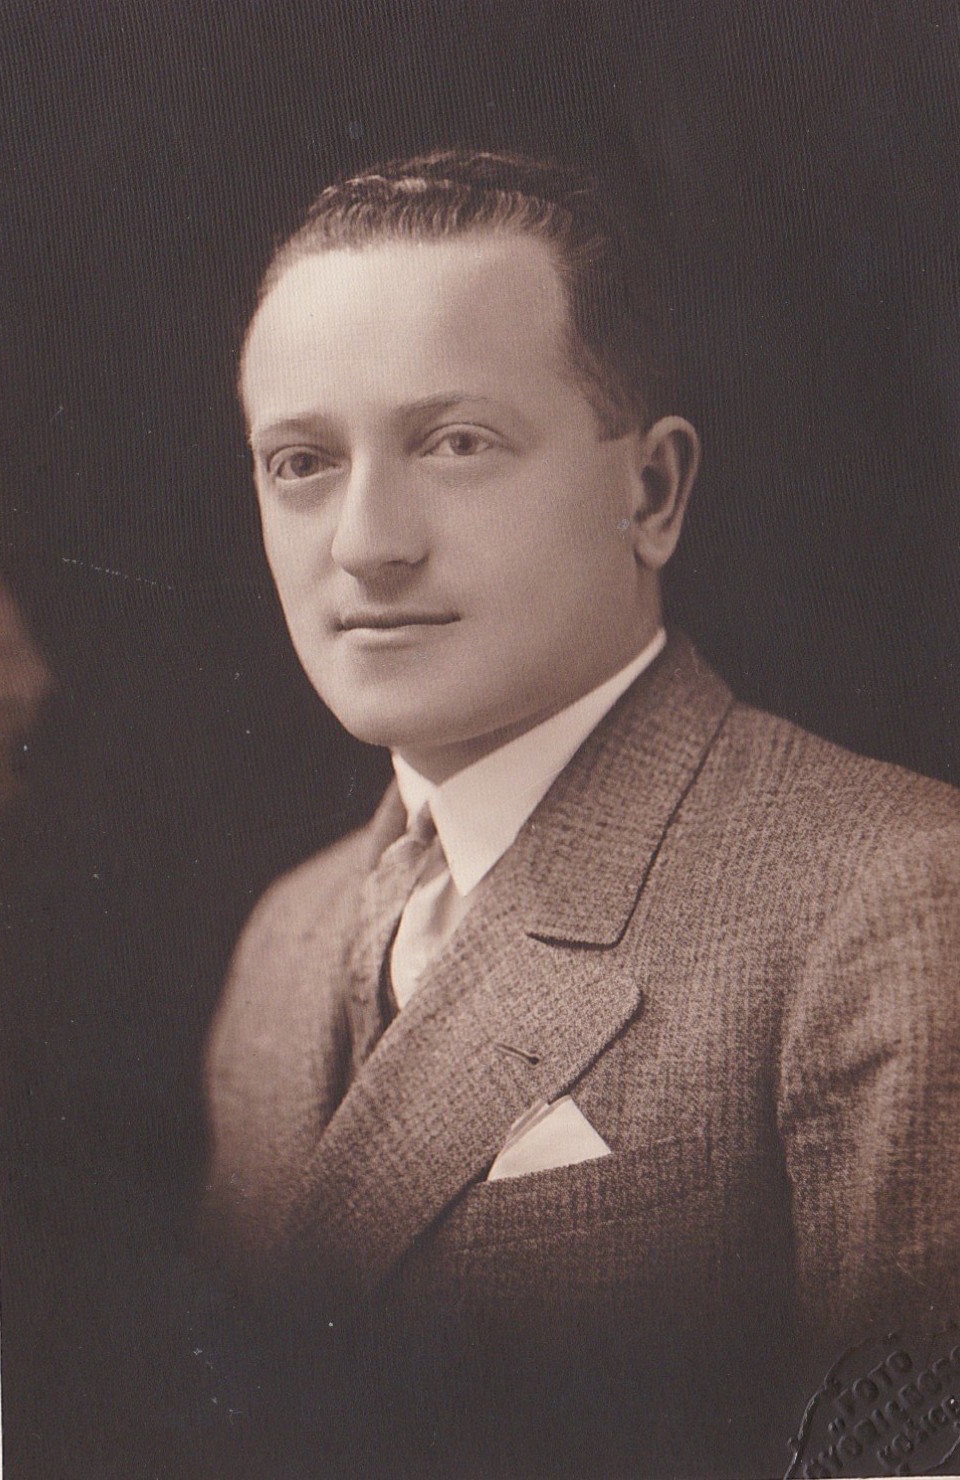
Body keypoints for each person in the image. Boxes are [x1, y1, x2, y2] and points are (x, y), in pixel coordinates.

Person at [200, 150, 960, 1478]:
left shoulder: (887, 904)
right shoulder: (287, 937)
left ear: (651, 492)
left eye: (457, 443)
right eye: (302, 461)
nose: (368, 543)